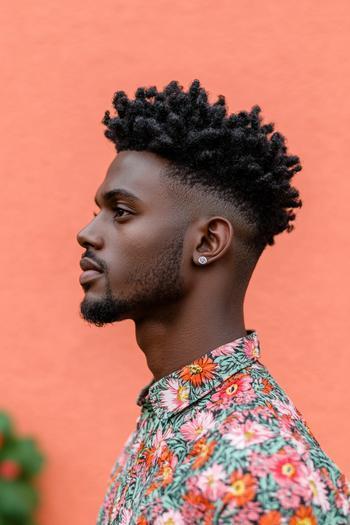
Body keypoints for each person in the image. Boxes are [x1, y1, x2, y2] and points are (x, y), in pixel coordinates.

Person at [76, 80, 349, 524]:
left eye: (121, 211)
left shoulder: (261, 471)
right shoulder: (168, 417)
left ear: (207, 240)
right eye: (97, 210)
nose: (87, 232)